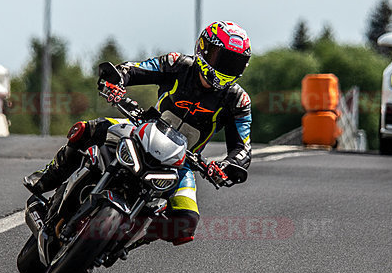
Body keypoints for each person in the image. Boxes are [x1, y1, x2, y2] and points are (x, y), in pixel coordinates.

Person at [24, 20, 253, 246]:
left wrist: (229, 165)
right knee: (89, 129)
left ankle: (127, 239)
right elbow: (134, 70)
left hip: (181, 162)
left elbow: (242, 148)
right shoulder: (177, 64)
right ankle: (48, 176)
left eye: (235, 64)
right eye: (221, 59)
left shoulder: (238, 101)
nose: (226, 68)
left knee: (186, 222)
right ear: (203, 49)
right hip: (142, 131)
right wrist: (116, 81)